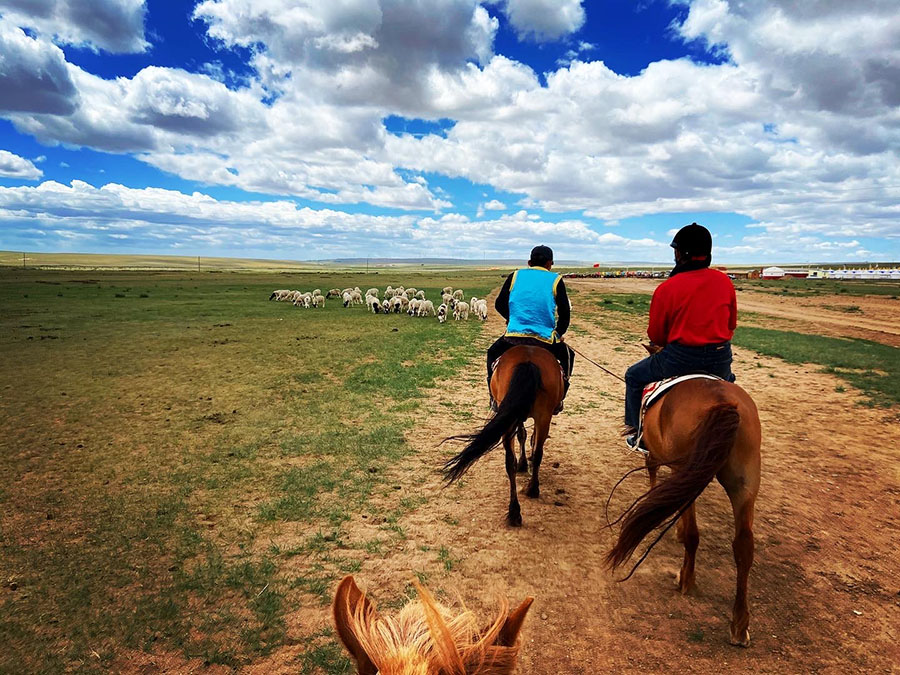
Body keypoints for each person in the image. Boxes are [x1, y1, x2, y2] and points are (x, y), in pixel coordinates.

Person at [623, 223, 737, 450]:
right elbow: (731, 324)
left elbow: (656, 334)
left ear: (680, 254)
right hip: (720, 358)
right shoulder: (725, 281)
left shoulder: (668, 288)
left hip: (679, 359)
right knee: (729, 384)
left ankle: (638, 433)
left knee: (634, 376)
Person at [486, 245, 575, 414]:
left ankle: (493, 397)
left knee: (492, 353)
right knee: (569, 356)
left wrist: (511, 319)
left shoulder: (515, 276)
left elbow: (499, 304)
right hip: (544, 339)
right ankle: (559, 399)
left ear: (529, 262)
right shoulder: (555, 279)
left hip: (514, 336)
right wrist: (558, 333)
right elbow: (565, 313)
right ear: (550, 264)